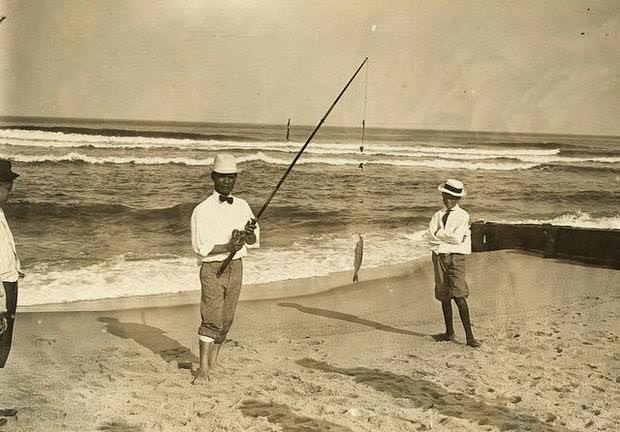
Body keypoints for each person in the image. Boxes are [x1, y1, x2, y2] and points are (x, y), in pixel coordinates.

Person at [190, 153, 259, 383]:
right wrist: (227, 246)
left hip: (236, 266)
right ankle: (203, 370)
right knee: (211, 318)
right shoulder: (202, 209)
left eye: (231, 177)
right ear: (213, 177)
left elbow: (253, 241)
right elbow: (201, 248)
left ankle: (213, 360)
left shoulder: (243, 205)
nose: (227, 182)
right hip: (212, 269)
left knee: (227, 318)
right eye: (222, 177)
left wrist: (248, 236)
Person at [427, 178, 480, 348]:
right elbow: (431, 237)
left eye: (452, 198)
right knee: (444, 295)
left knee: (459, 295)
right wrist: (443, 236)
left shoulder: (463, 216)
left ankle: (470, 337)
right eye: (446, 196)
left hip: (456, 258)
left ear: (458, 199)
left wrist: (440, 234)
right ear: (443, 195)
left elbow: (457, 240)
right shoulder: (437, 215)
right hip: (439, 256)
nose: (448, 200)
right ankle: (449, 333)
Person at [0, 160, 22, 422]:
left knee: (1, 346)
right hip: (1, 289)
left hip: (8, 283)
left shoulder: (1, 212)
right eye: (7, 185)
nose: (11, 189)